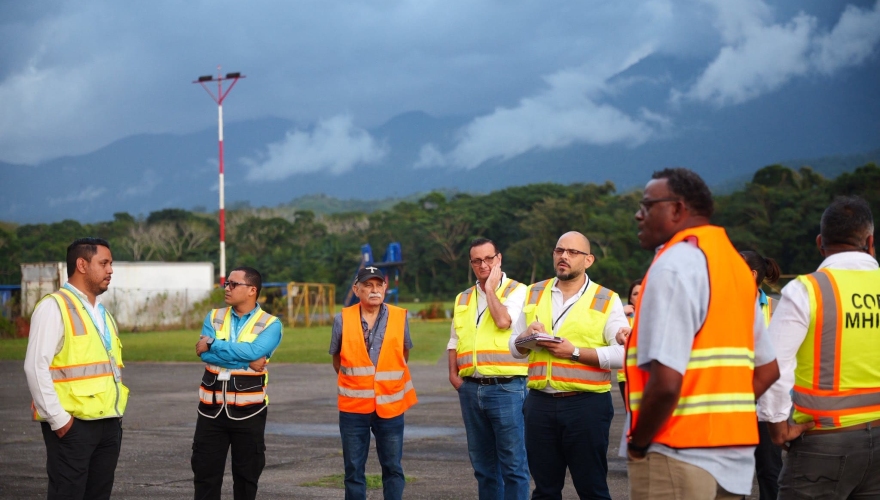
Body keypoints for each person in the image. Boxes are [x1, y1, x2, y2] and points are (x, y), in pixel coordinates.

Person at [625, 168, 780, 499]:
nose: (639, 215)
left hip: (674, 452)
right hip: (731, 458)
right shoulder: (734, 267)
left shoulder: (674, 265)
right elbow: (768, 370)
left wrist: (638, 444)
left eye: (647, 205)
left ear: (678, 210)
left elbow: (665, 384)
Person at [758, 195, 880, 499]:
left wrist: (776, 425)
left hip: (823, 443)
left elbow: (774, 365)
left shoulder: (807, 289)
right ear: (870, 241)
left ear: (819, 242)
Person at [510, 231, 629, 500]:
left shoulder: (606, 298)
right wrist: (526, 336)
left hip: (585, 405)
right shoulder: (534, 292)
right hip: (540, 403)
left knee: (592, 489)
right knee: (545, 490)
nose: (564, 256)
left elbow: (623, 354)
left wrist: (573, 352)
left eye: (572, 252)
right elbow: (515, 349)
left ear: (588, 260)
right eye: (559, 250)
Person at [24, 237, 128, 500]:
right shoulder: (53, 307)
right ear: (81, 264)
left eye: (111, 264)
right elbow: (36, 367)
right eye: (104, 263)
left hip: (108, 424)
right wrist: (59, 420)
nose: (110, 270)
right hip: (73, 426)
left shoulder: (102, 313)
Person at [448, 238, 530, 499]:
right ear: (471, 263)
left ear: (499, 259)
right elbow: (454, 340)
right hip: (471, 388)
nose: (483, 265)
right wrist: (454, 375)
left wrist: (491, 290)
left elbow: (504, 321)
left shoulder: (518, 290)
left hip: (506, 388)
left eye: (488, 259)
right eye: (477, 260)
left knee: (513, 465)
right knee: (483, 466)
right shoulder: (463, 298)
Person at [191, 266, 282, 500]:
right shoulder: (213, 316)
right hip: (210, 411)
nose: (227, 288)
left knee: (246, 478)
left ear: (252, 290)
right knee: (205, 476)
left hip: (249, 412)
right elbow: (205, 355)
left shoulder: (271, 324)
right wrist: (247, 359)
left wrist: (213, 343)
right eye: (226, 284)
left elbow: (255, 350)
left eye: (233, 284)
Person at [331, 266, 418, 500]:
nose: (374, 290)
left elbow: (403, 354)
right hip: (353, 408)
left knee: (392, 468)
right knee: (353, 470)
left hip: (390, 406)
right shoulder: (342, 319)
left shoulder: (400, 316)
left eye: (379, 285)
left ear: (385, 288)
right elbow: (337, 359)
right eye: (368, 285)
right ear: (356, 289)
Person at [740, 250, 783, 500]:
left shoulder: (777, 309)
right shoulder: (721, 306)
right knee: (737, 473)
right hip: (734, 401)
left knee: (770, 471)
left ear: (752, 274)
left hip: (768, 401)